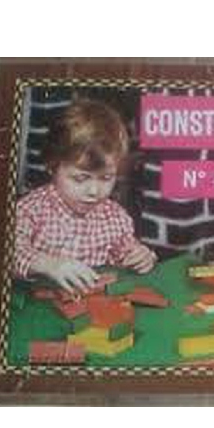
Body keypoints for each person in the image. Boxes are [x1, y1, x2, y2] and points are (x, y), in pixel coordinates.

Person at [13, 99, 156, 295]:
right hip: (37, 304)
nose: (94, 191)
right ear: (52, 166)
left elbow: (126, 250)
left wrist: (140, 256)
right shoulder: (30, 210)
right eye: (80, 178)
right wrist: (49, 265)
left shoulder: (115, 216)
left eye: (106, 178)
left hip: (92, 305)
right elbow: (8, 251)